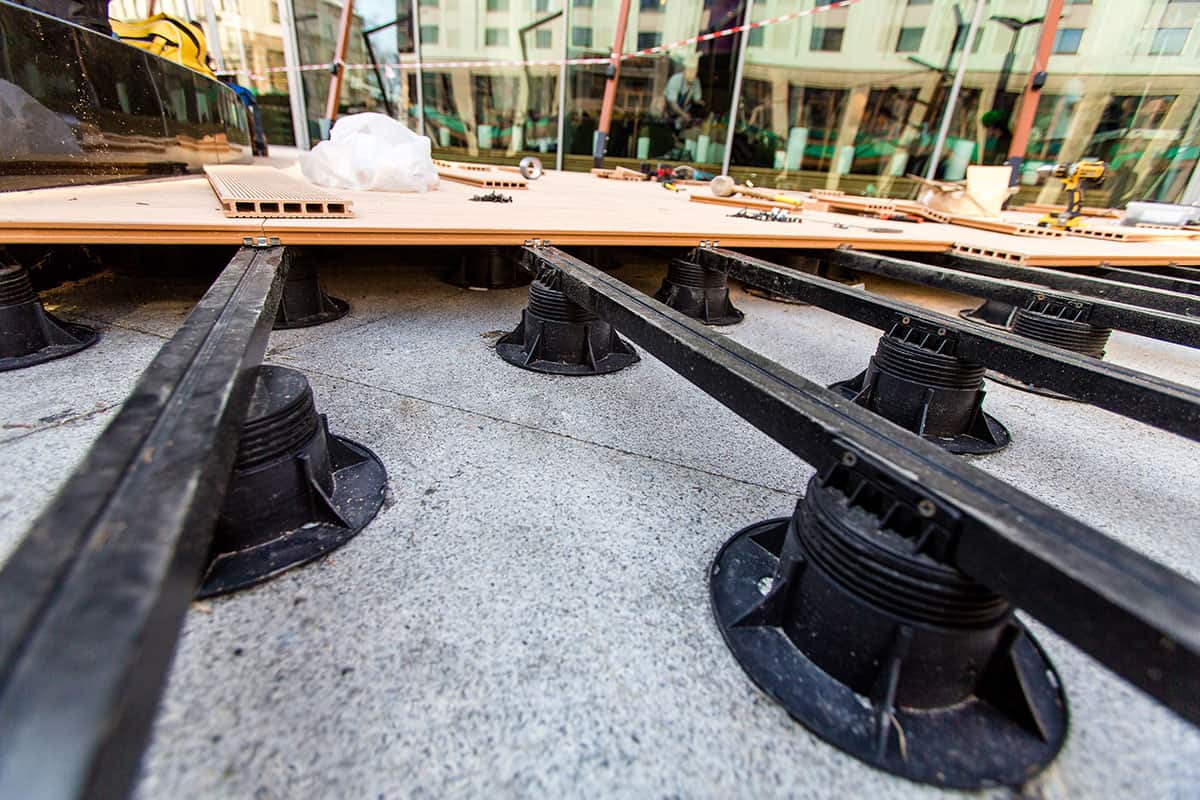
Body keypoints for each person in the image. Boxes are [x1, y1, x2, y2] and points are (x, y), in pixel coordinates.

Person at [664, 58, 702, 133]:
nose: (692, 74)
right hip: (667, 111)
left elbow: (697, 99)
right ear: (684, 71)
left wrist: (700, 103)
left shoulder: (696, 82)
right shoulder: (675, 80)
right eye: (690, 71)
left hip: (681, 113)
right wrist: (684, 114)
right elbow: (673, 103)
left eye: (694, 71)